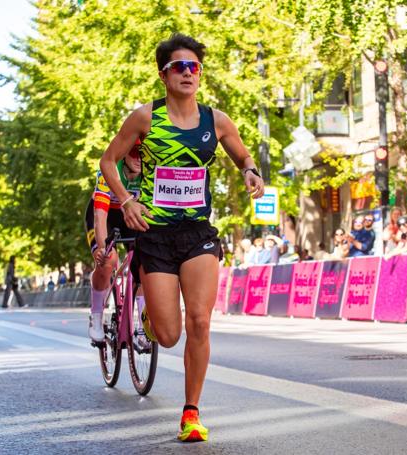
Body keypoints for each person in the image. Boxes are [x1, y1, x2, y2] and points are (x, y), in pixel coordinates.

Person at [99, 33, 264, 442]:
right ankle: (150, 320)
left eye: (194, 67)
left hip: (197, 234)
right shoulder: (144, 118)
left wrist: (249, 170)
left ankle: (191, 412)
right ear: (164, 74)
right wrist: (126, 201)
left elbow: (241, 153)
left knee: (201, 320)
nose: (188, 73)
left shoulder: (216, 120)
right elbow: (108, 160)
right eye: (179, 67)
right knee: (169, 335)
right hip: (154, 235)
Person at [84, 141, 143, 342]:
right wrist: (102, 248)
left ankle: (143, 326)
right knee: (108, 259)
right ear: (125, 154)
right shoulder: (110, 172)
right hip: (106, 215)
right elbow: (100, 216)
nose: (138, 159)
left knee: (145, 261)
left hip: (130, 215)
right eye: (134, 153)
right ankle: (96, 315)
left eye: (142, 154)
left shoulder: (150, 173)